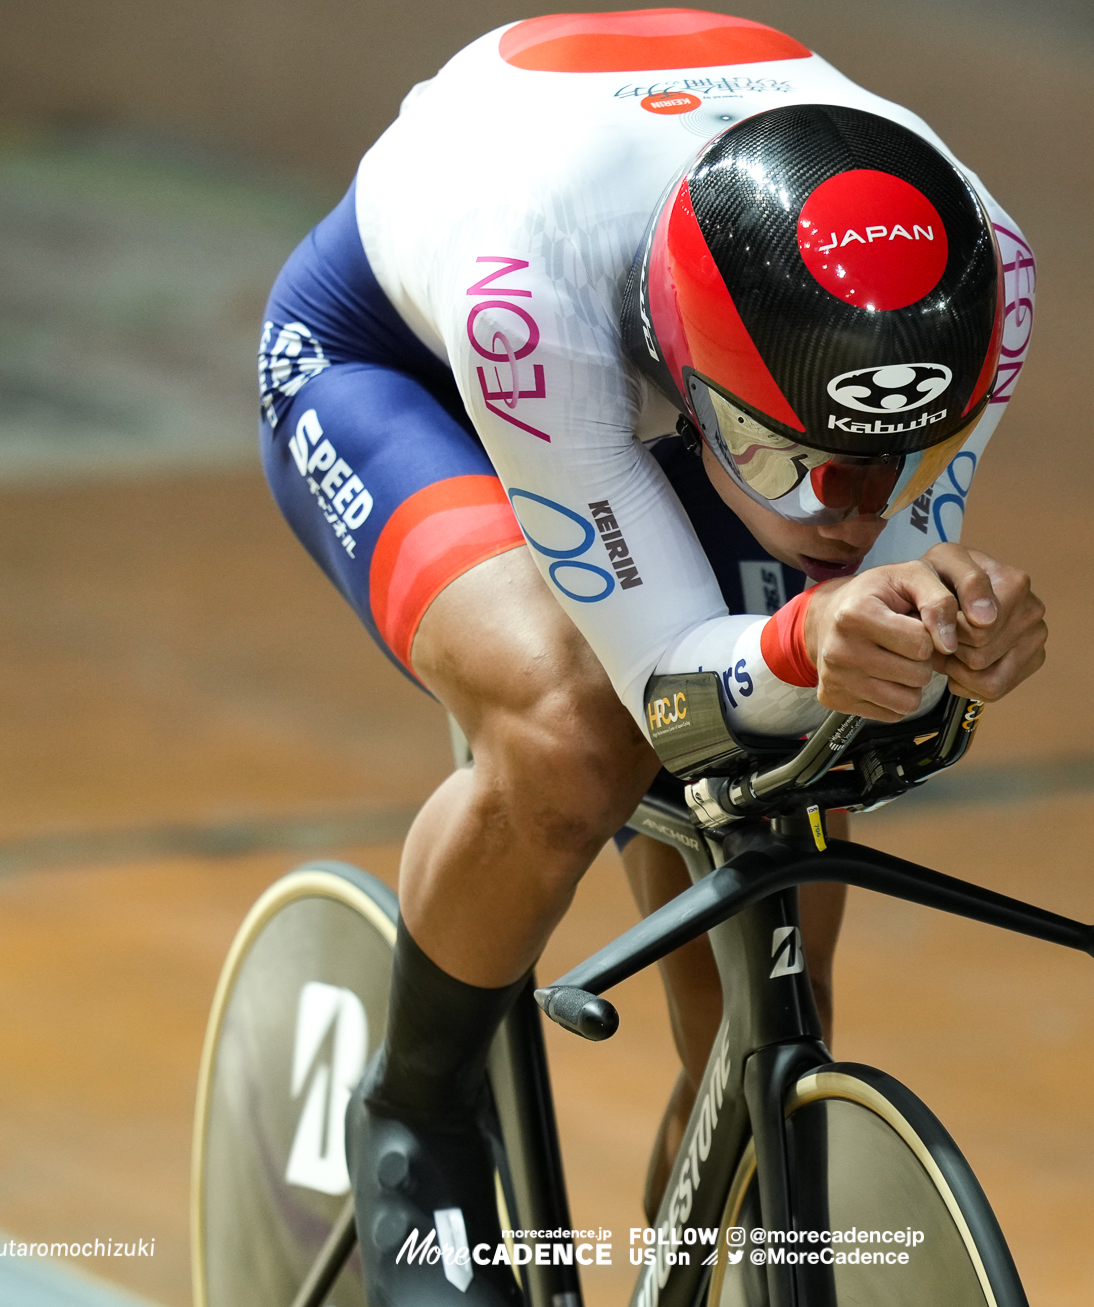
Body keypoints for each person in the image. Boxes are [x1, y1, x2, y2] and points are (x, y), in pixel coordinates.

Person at [255, 10, 1045, 1302]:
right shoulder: (530, 299)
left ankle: (709, 1204)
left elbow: (871, 558)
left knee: (771, 961)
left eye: (890, 456)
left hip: (693, 381)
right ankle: (417, 1116)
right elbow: (672, 679)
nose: (846, 508)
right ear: (688, 367)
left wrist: (944, 624)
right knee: (576, 739)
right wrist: (806, 628)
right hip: (411, 369)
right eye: (800, 466)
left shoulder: (988, 274)